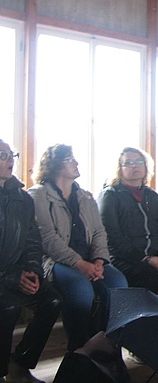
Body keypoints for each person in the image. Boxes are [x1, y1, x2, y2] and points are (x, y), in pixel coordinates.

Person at [28, 144, 128, 352]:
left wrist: (99, 260)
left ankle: (108, 344)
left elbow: (99, 232)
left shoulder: (85, 196)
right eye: (70, 159)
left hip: (89, 259)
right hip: (54, 260)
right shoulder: (38, 195)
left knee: (118, 282)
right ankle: (79, 348)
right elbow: (47, 238)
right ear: (55, 165)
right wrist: (79, 264)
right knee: (81, 288)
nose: (76, 163)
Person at [0, 140, 62, 383]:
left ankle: (20, 364)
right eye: (3, 155)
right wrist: (12, 276)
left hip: (17, 273)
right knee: (8, 307)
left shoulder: (22, 198)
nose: (10, 160)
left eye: (11, 155)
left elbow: (32, 241)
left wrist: (33, 270)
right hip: (5, 276)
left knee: (51, 300)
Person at [97, 147, 158, 301]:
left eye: (139, 162)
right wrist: (146, 259)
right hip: (124, 258)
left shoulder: (152, 195)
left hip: (157, 256)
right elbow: (112, 238)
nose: (134, 166)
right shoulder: (110, 195)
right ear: (119, 169)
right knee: (147, 275)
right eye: (128, 163)